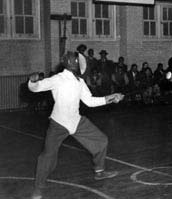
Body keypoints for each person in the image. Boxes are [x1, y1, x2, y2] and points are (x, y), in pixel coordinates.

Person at [28, 51, 124, 199]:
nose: (83, 64)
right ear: (74, 64)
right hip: (58, 123)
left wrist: (110, 98)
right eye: (80, 62)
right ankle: (38, 189)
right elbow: (36, 88)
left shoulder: (79, 82)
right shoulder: (58, 79)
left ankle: (100, 171)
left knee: (101, 141)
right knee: (48, 157)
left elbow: (90, 102)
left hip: (76, 121)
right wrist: (32, 81)